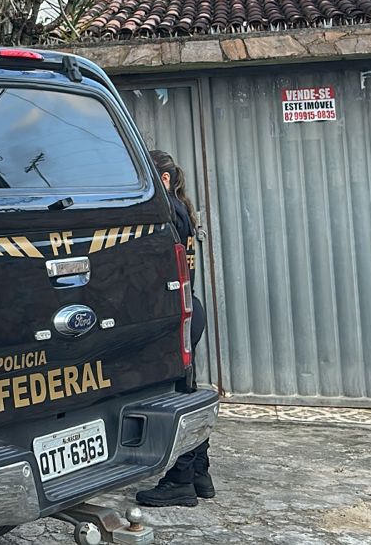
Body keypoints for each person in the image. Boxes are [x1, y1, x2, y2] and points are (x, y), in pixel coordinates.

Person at [136, 149, 213, 508]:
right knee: (188, 392)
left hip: (175, 317)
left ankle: (180, 479)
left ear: (163, 180)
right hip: (187, 312)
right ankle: (199, 473)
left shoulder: (167, 210)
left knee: (178, 398)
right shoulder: (182, 210)